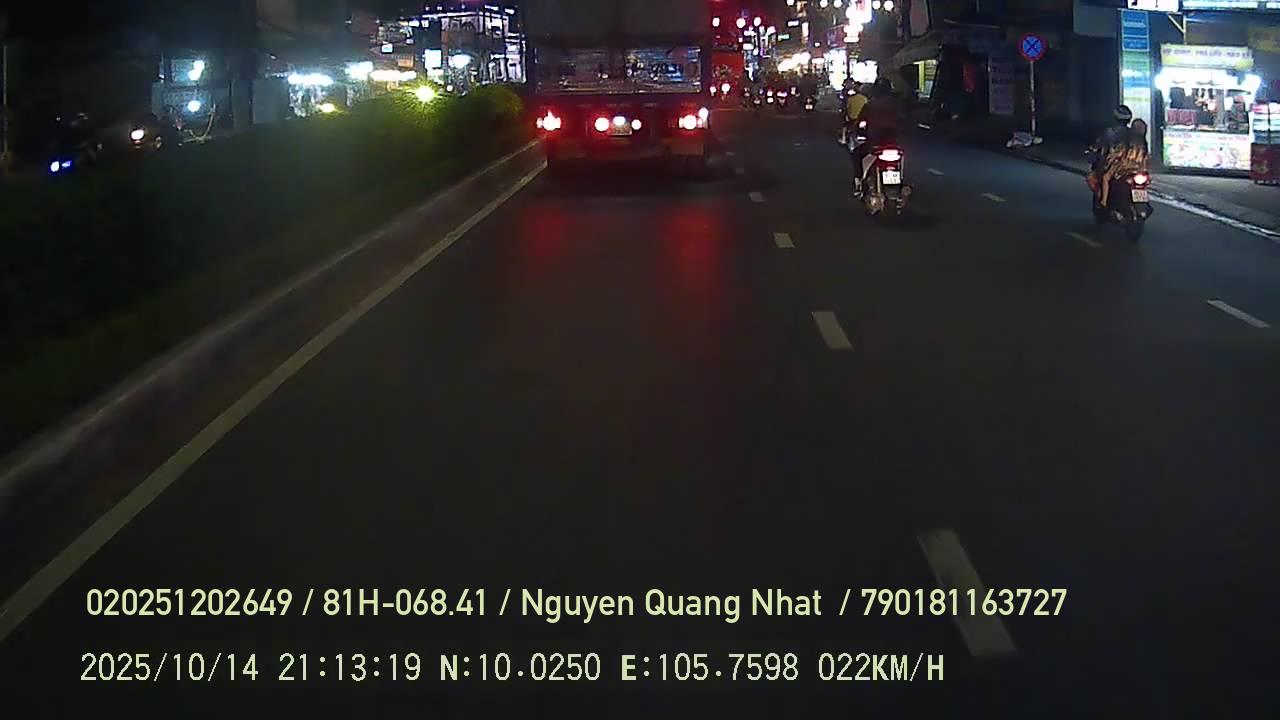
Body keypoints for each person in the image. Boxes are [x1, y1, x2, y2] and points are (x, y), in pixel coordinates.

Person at [851, 78, 901, 195]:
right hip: (893, 143)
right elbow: (904, 123)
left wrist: (858, 132)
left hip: (875, 142)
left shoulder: (869, 105)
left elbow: (860, 123)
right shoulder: (897, 105)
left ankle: (859, 184)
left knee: (856, 154)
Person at [1098, 118, 1149, 207]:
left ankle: (1104, 201)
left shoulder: (1127, 140)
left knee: (1105, 178)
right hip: (1138, 170)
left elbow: (1118, 153)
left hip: (1122, 169)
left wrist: (1108, 160)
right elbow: (1146, 158)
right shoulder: (1144, 143)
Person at [1088, 104, 1133, 197]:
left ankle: (1102, 200)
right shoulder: (1134, 134)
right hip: (1133, 167)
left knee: (1093, 178)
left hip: (1113, 167)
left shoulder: (1109, 132)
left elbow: (1097, 147)